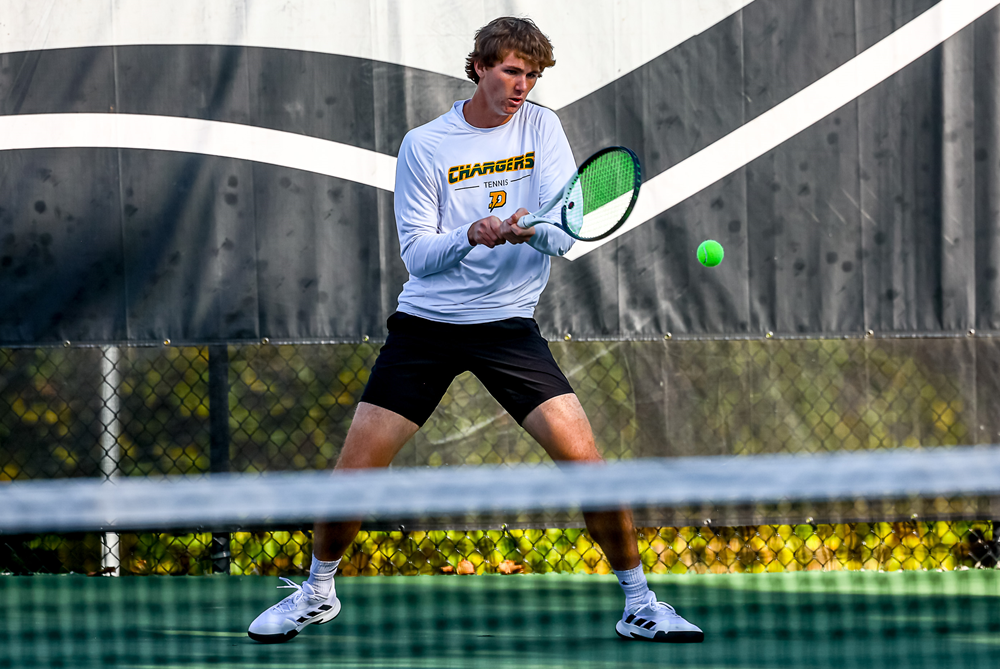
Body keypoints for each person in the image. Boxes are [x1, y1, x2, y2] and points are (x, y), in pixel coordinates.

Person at [248, 16, 703, 645]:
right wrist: (473, 234)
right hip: (427, 328)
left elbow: (565, 233)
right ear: (481, 68)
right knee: (355, 472)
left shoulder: (542, 125)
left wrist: (528, 229)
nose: (523, 86)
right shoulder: (426, 145)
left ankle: (639, 603)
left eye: (533, 75)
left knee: (589, 468)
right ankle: (316, 594)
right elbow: (417, 254)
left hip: (509, 329)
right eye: (512, 71)